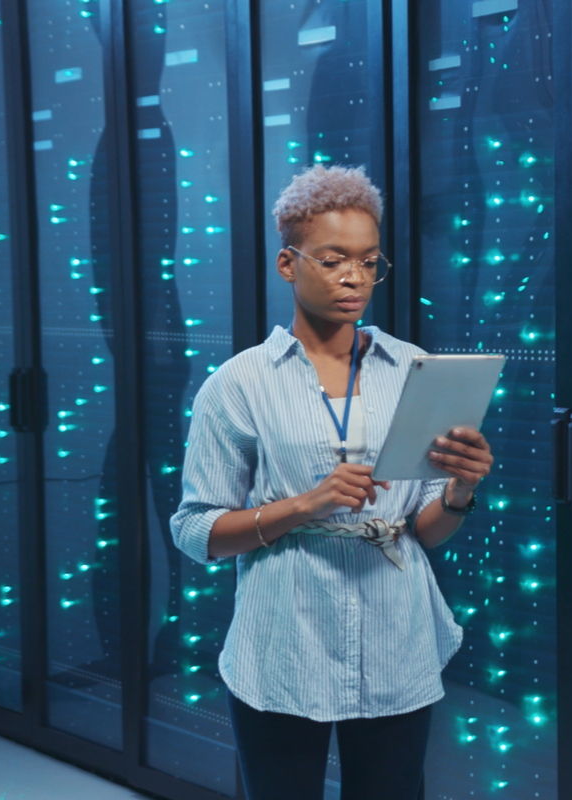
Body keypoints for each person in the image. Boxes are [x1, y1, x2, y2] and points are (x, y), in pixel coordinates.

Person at [170, 164, 494, 800]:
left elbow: (424, 531)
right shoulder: (237, 384)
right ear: (288, 265)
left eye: (371, 261)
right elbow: (194, 530)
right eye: (334, 259)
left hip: (396, 640)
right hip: (281, 644)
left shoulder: (415, 370)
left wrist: (459, 491)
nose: (355, 277)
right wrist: (304, 504)